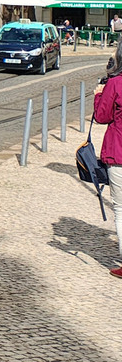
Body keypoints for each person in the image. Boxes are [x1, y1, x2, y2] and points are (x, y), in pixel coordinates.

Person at [95, 42, 122, 278]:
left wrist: (98, 96)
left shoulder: (115, 84)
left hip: (119, 154)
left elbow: (101, 116)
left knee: (121, 209)